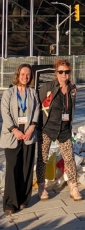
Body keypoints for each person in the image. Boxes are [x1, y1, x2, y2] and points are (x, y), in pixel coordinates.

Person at [37, 59, 82, 202]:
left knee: (69, 158)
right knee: (42, 158)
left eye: (67, 72)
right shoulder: (48, 87)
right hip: (47, 127)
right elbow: (38, 103)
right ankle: (41, 186)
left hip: (64, 129)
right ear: (56, 73)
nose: (64, 75)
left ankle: (73, 187)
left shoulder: (72, 89)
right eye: (61, 72)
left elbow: (72, 108)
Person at [0, 64, 40, 215]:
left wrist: (31, 128)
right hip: (12, 134)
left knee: (26, 167)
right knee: (12, 168)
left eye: (28, 75)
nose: (25, 77)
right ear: (18, 74)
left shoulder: (32, 92)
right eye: (23, 74)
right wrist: (14, 130)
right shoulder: (9, 93)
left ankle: (23, 199)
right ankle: (10, 202)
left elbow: (36, 110)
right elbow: (5, 112)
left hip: (28, 133)